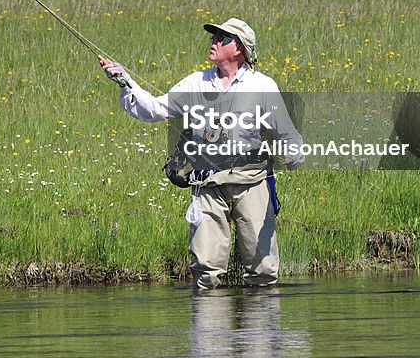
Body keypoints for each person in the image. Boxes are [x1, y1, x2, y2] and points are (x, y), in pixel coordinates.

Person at [100, 18, 304, 290]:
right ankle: (211, 330)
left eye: (223, 37)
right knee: (206, 271)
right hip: (207, 185)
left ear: (240, 49)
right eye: (214, 36)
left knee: (263, 271)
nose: (214, 41)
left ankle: (260, 330)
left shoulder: (263, 86)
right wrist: (125, 82)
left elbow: (286, 132)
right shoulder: (196, 83)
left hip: (253, 183)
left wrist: (293, 155)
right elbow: (154, 109)